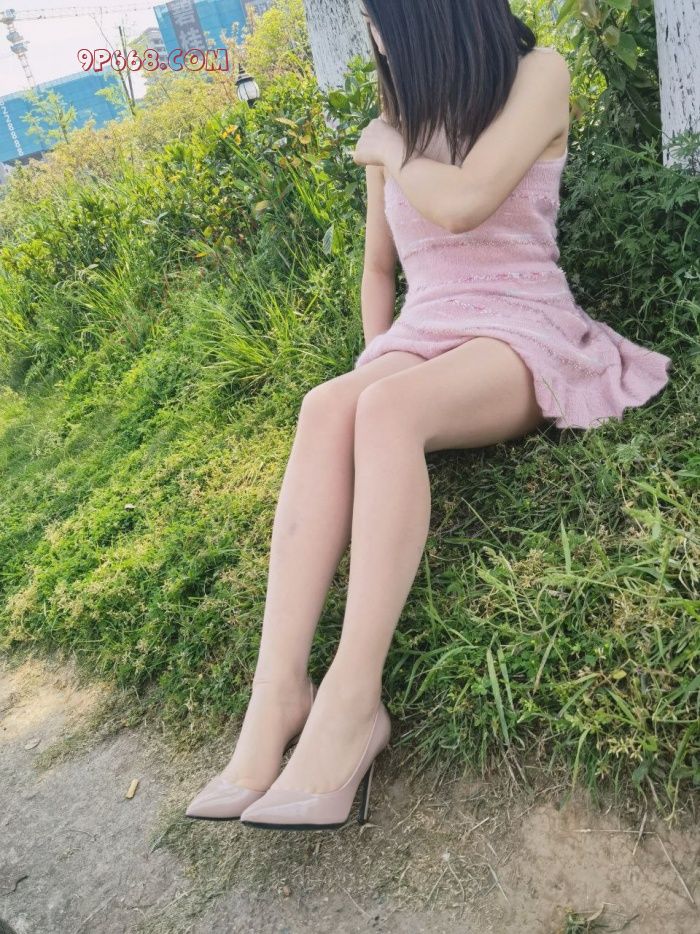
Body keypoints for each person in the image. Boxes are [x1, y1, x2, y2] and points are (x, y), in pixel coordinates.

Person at [185, 0, 672, 830]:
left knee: (386, 413)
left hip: (521, 327)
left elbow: (463, 204)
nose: (374, 37)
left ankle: (352, 701)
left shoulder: (538, 75)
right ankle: (279, 692)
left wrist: (389, 148)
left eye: (376, 19)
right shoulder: (397, 117)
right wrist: (378, 354)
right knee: (328, 405)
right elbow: (380, 269)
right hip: (427, 329)